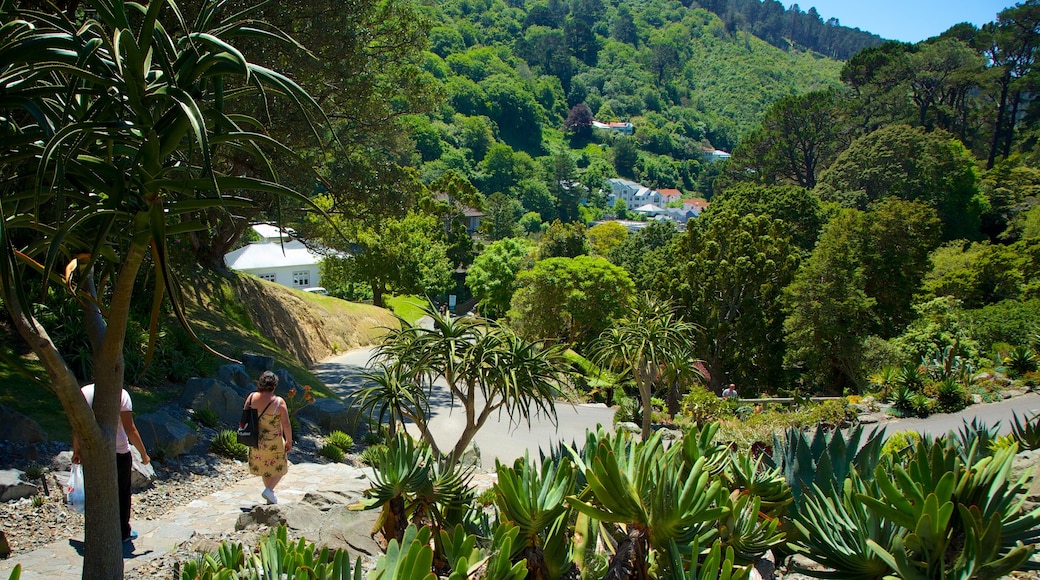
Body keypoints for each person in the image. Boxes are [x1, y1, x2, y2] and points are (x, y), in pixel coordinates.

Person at [72, 383, 151, 543]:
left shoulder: (84, 392)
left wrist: (77, 450)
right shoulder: (121, 395)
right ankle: (122, 532)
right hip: (119, 451)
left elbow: (77, 426)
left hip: (92, 451)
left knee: (96, 491)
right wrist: (143, 454)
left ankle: (97, 532)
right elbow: (130, 428)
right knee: (122, 493)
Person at [246, 371, 292, 504]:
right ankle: (269, 489)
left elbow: (245, 417)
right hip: (274, 442)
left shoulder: (251, 397)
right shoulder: (278, 402)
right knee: (281, 467)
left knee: (266, 468)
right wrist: (288, 440)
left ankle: (269, 494)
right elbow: (286, 424)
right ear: (274, 385)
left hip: (255, 440)